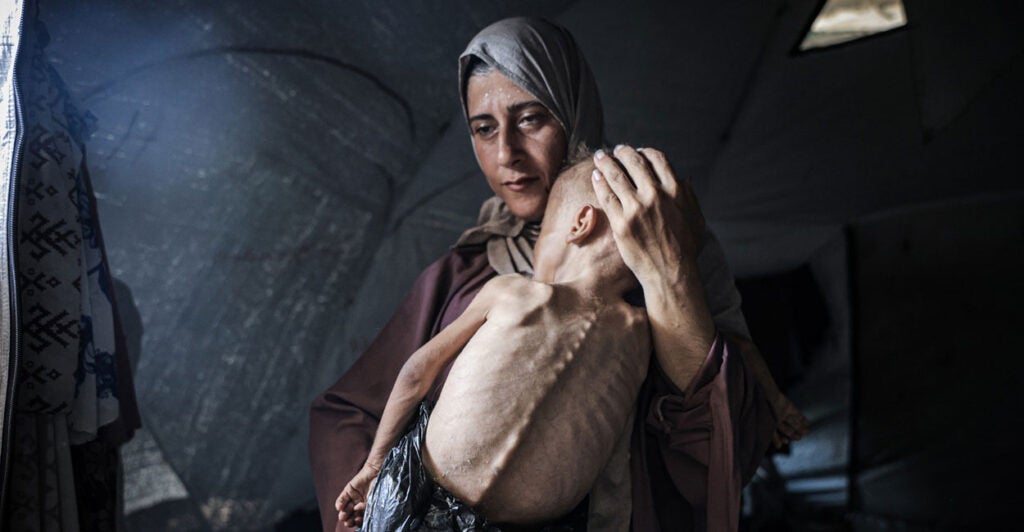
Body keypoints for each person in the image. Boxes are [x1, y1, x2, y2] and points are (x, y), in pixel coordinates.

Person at [310, 16, 807, 531]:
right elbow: (346, 412)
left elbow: (719, 452)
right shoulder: (466, 273)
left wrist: (668, 277)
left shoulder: (665, 268)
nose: (507, 154)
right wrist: (373, 499)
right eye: (484, 128)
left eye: (530, 119)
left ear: (573, 114)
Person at [337, 156, 653, 529]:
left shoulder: (515, 291)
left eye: (544, 228)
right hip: (430, 493)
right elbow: (614, 470)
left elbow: (417, 372)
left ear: (579, 224)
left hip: (440, 498)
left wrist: (376, 462)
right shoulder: (639, 337)